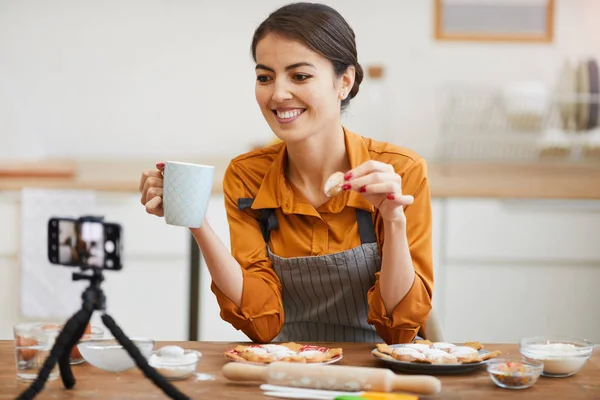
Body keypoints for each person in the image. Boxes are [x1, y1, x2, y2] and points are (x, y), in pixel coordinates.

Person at [139, 2, 433, 344]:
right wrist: (193, 218)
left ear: (345, 81)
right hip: (285, 364)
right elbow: (261, 325)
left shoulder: (400, 171)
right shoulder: (248, 175)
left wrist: (393, 218)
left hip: (378, 372)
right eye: (265, 77)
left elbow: (399, 330)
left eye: (300, 76)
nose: (278, 94)